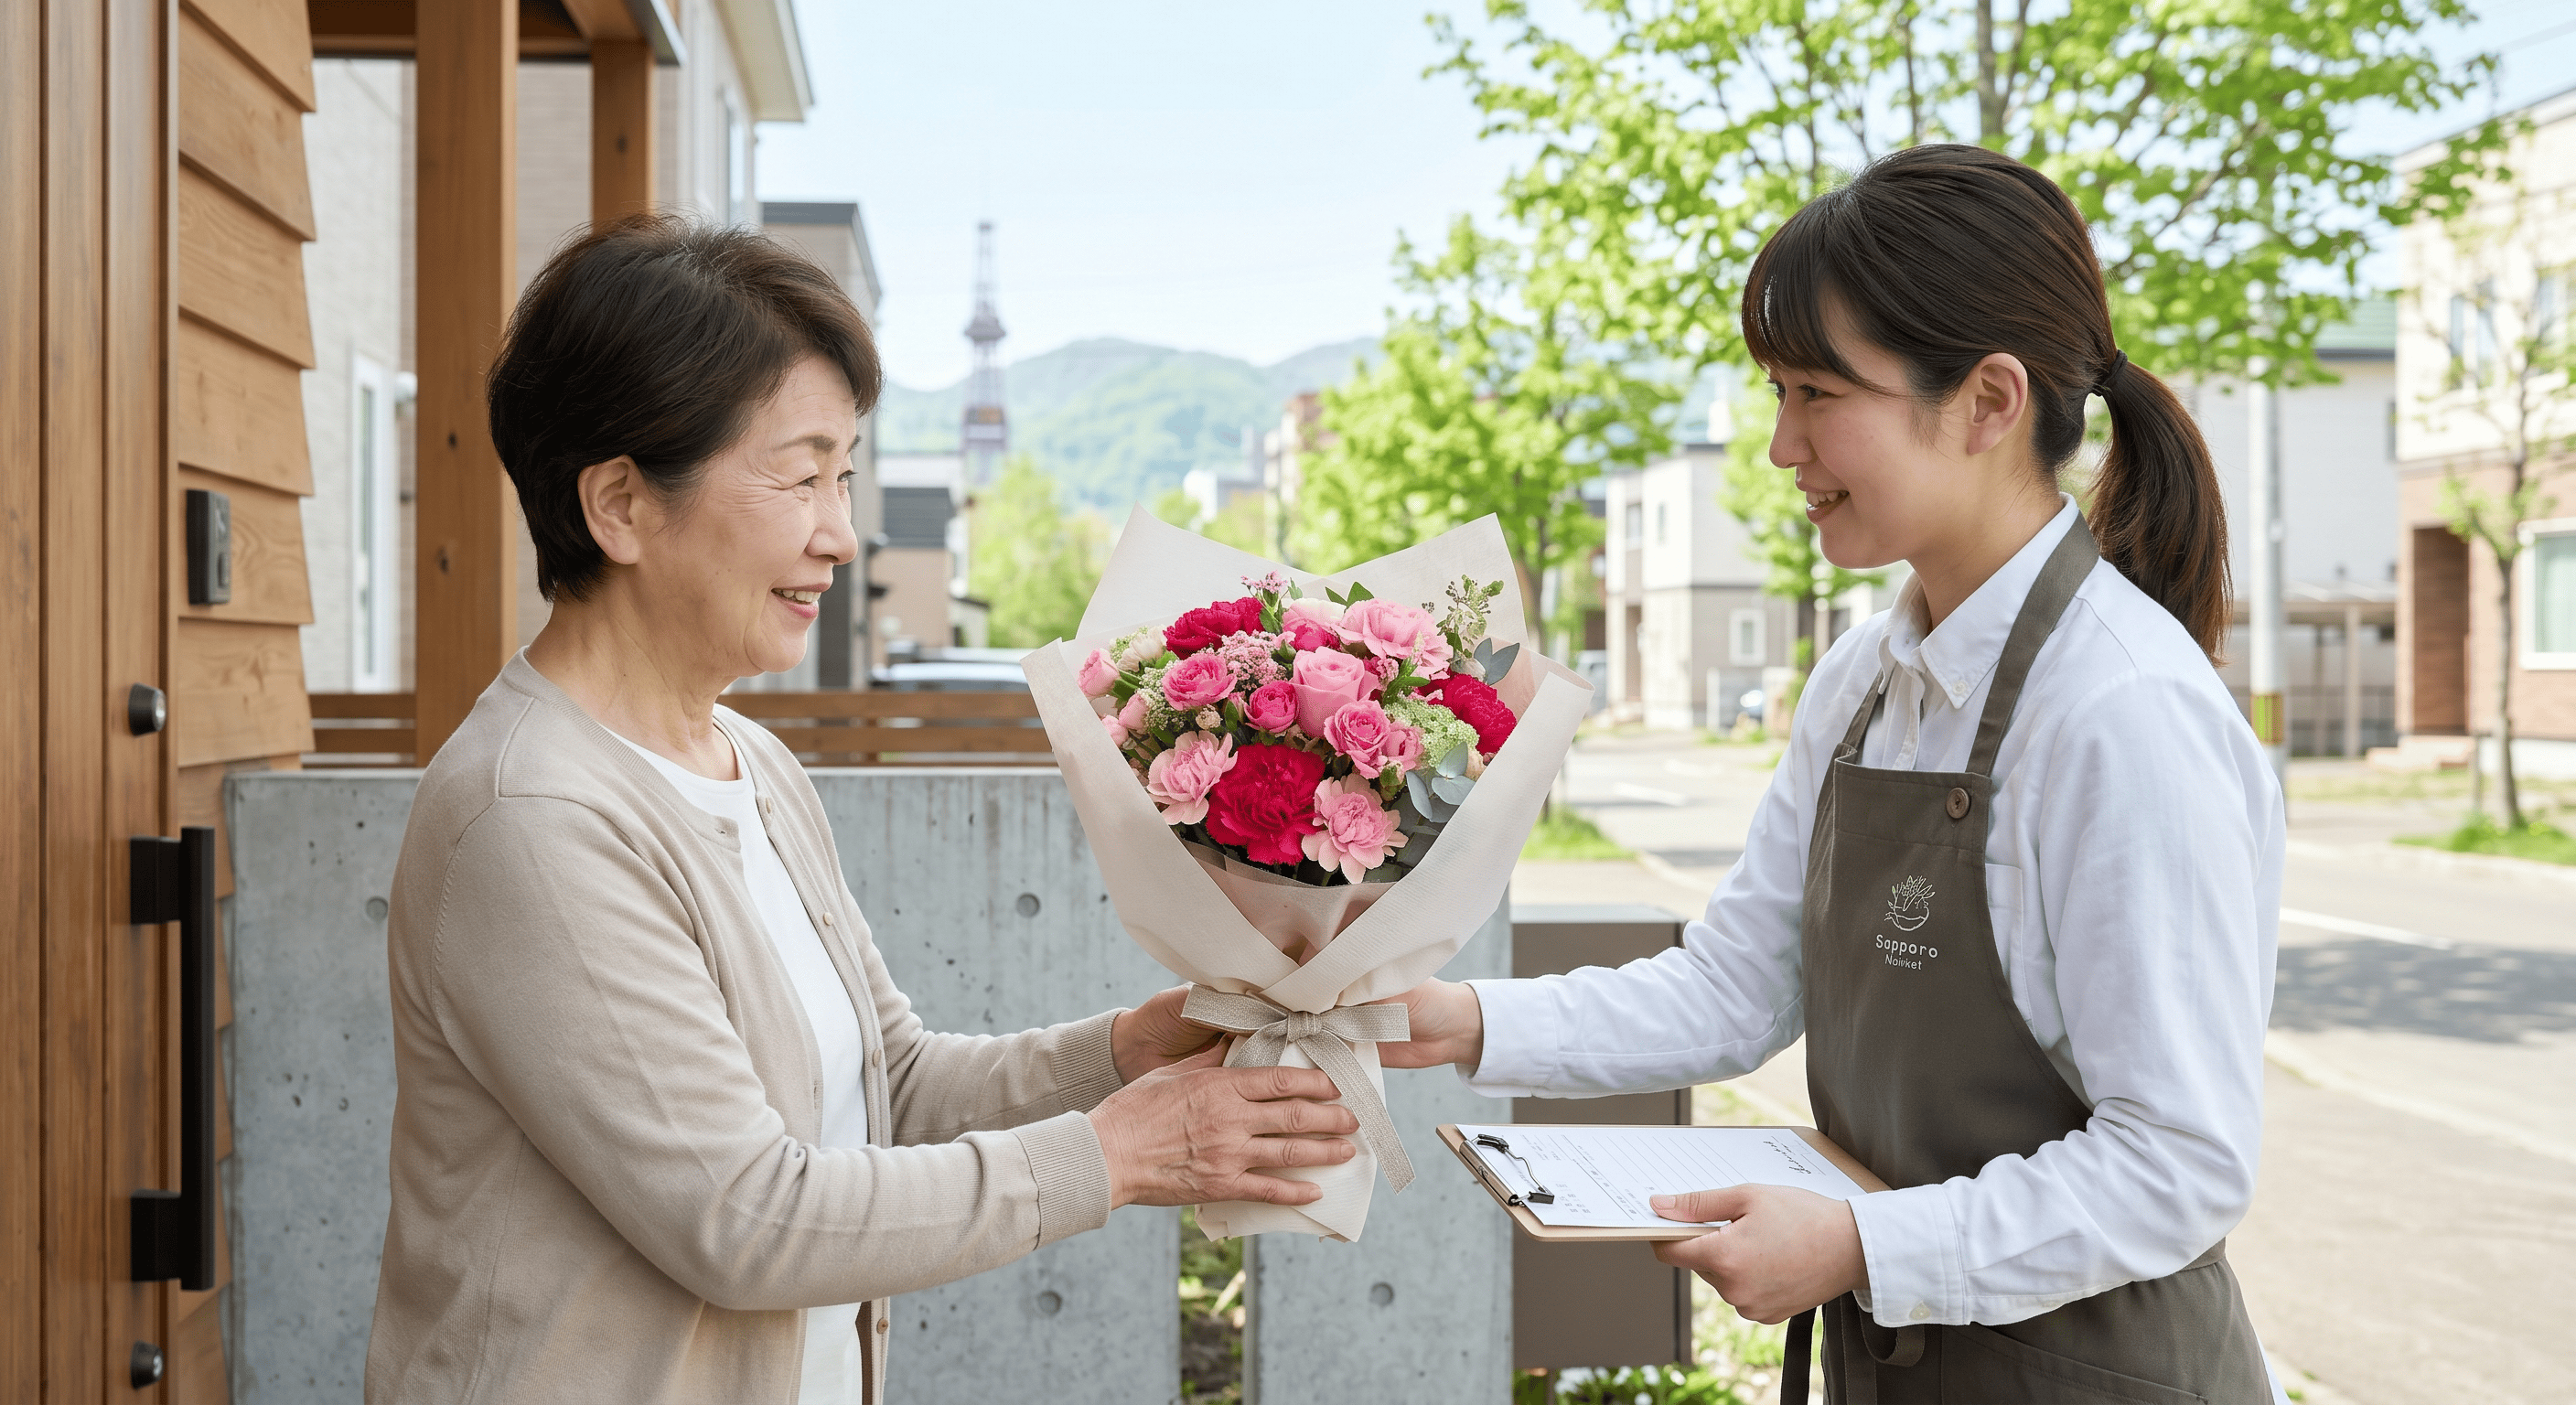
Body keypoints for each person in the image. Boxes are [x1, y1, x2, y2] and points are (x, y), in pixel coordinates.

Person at [368, 216, 1358, 1405]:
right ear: (620, 505)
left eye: (844, 475)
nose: (839, 532)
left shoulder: (749, 761)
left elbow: (888, 1088)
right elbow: (747, 1218)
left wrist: (1122, 1056)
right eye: (798, 475)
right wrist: (1125, 1151)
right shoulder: (532, 814)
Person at [1387, 144, 2284, 1402]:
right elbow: (1738, 988)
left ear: (1986, 402)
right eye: (1775, 392)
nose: (1777, 446)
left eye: (1815, 393)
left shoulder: (2123, 716)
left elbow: (2178, 1165)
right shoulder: (1864, 681)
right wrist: (1459, 1022)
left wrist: (1864, 1242)